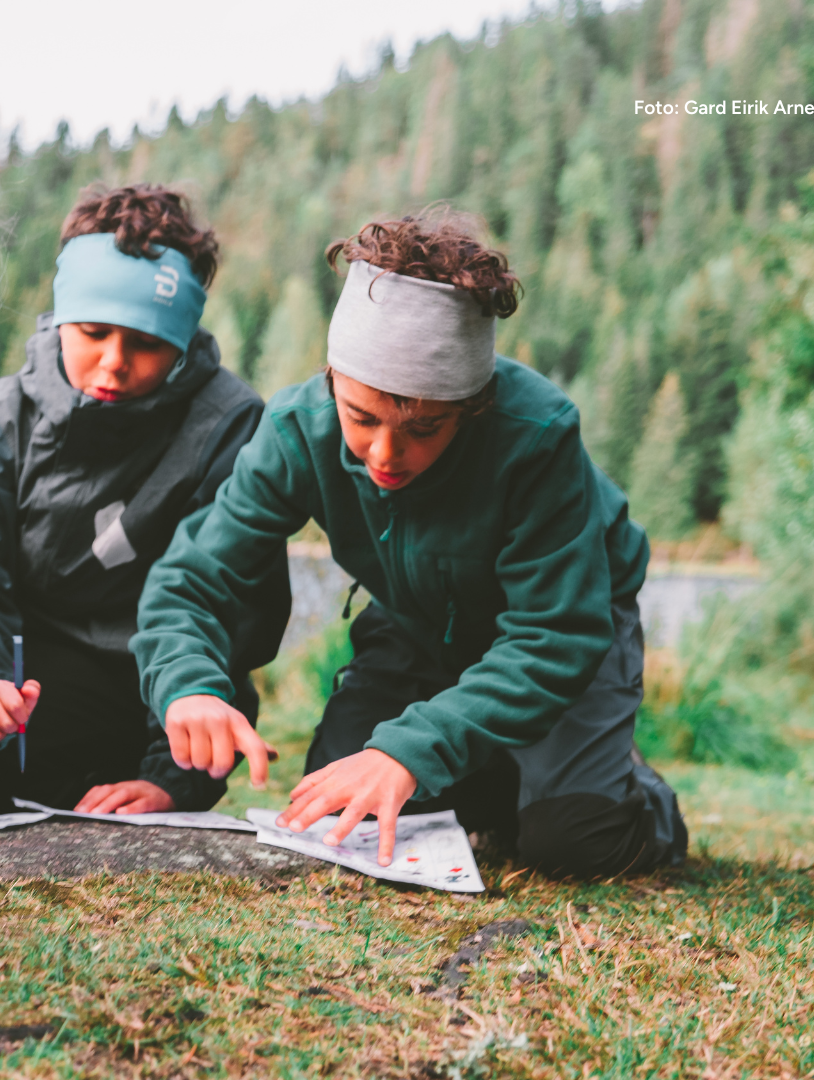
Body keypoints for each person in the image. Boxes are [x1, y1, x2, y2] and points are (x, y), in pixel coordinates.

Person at [133, 213, 687, 878]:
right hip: (417, 620)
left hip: (561, 629)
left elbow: (555, 635)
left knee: (569, 842)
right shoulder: (294, 433)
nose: (385, 455)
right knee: (343, 817)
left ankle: (624, 791)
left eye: (424, 427)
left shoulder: (538, 436)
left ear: (472, 406)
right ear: (334, 380)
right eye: (361, 419)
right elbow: (192, 579)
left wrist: (407, 752)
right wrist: (188, 686)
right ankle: (511, 781)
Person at [0, 184, 290, 818]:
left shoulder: (229, 427)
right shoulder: (3, 414)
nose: (113, 362)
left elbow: (226, 615)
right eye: (94, 332)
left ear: (183, 340)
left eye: (146, 344)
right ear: (60, 318)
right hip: (14, 673)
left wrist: (172, 779)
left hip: (139, 695)